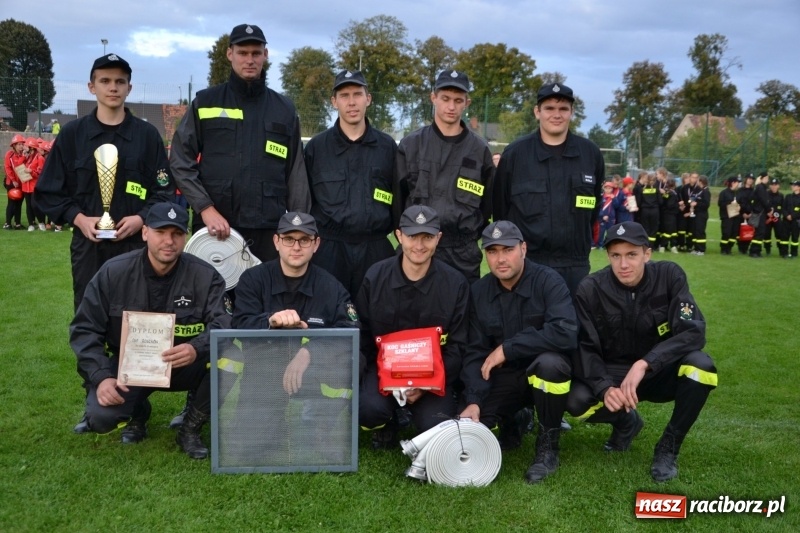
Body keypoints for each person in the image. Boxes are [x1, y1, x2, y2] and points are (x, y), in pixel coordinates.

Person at [34, 53, 175, 433]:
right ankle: (95, 394)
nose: (113, 88)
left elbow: (165, 194)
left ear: (129, 87)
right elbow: (47, 194)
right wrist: (79, 219)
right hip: (89, 248)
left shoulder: (146, 137)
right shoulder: (72, 135)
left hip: (134, 249)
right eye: (105, 81)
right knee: (91, 319)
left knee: (136, 325)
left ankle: (136, 413)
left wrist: (142, 219)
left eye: (120, 81)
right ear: (91, 86)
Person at [69, 202, 231, 459]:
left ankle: (191, 427)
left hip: (184, 364)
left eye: (176, 234)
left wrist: (195, 347)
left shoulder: (205, 276)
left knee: (232, 360)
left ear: (185, 237)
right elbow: (85, 329)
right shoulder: (113, 272)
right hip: (130, 368)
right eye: (160, 232)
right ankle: (138, 411)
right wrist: (101, 377)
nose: (169, 241)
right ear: (145, 233)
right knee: (101, 418)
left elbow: (224, 323)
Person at [567, 221, 717, 482]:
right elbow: (585, 347)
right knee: (574, 399)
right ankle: (626, 423)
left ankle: (668, 446)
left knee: (700, 367)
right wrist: (604, 388)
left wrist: (646, 363)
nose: (623, 264)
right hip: (614, 374)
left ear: (647, 254)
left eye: (632, 255)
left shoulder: (670, 275)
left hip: (659, 371)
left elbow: (693, 331)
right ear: (608, 256)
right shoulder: (590, 289)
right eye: (616, 255)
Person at [170, 23, 310, 263]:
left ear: (265, 55)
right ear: (229, 54)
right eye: (243, 53)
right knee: (216, 300)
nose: (249, 60)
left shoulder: (284, 109)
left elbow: (295, 174)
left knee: (267, 299)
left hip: (270, 231)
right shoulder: (205, 103)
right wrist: (206, 209)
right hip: (218, 228)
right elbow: (181, 160)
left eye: (256, 53)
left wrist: (297, 227)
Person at [229, 211, 358, 464]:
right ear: (276, 242)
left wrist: (309, 353)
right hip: (265, 371)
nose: (296, 247)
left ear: (316, 244)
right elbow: (239, 322)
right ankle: (271, 421)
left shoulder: (331, 287)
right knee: (249, 449)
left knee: (347, 362)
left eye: (304, 240)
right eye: (289, 239)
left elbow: (351, 330)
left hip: (315, 371)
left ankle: (321, 423)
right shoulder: (253, 280)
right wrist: (270, 321)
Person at [459, 221, 577, 483]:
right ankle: (515, 419)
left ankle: (548, 446)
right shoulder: (479, 291)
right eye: (492, 252)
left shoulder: (549, 281)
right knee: (471, 425)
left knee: (550, 364)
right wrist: (474, 399)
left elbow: (565, 332)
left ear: (523, 249)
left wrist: (508, 348)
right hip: (507, 378)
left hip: (544, 373)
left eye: (508, 249)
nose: (500, 259)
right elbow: (475, 351)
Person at [357, 205, 470, 446]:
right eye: (412, 236)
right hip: (383, 373)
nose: (419, 245)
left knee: (435, 426)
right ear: (398, 235)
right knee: (368, 411)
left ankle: (425, 408)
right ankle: (390, 419)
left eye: (427, 237)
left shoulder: (455, 284)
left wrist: (426, 384)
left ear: (438, 239)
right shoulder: (375, 277)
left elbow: (459, 346)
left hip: (431, 377)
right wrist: (384, 379)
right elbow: (364, 336)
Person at [494, 82, 604, 297]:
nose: (557, 114)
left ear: (572, 112)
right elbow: (500, 210)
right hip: (528, 265)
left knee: (572, 328)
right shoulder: (516, 154)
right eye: (549, 108)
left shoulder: (590, 154)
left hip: (575, 266)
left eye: (563, 109)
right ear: (537, 112)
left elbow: (593, 209)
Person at [393, 69, 494, 284]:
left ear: (467, 103)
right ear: (433, 98)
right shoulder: (411, 145)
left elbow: (487, 206)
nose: (451, 107)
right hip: (417, 250)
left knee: (461, 315)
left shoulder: (480, 150)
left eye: (458, 101)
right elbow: (398, 201)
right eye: (445, 99)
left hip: (462, 254)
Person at [303, 70, 397, 298]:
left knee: (377, 317)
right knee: (328, 319)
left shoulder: (388, 148)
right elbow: (305, 201)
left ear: (369, 99)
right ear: (334, 101)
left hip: (376, 249)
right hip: (329, 251)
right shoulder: (317, 148)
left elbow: (399, 199)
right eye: (344, 95)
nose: (352, 102)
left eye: (357, 94)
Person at [22, 137, 46, 231]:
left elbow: (41, 173)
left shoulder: (39, 158)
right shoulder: (28, 158)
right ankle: (31, 224)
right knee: (28, 206)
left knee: (34, 205)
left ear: (31, 147)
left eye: (26, 146)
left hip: (34, 186)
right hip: (26, 185)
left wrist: (31, 171)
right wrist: (24, 157)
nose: (24, 148)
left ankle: (41, 222)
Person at [747, 171, 771, 258]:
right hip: (761, 213)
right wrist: (769, 210)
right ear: (762, 178)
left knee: (759, 232)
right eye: (766, 178)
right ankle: (754, 251)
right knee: (760, 232)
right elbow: (764, 200)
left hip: (760, 212)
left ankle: (756, 250)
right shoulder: (761, 187)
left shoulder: (760, 187)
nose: (767, 180)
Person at [4, 134, 25, 229]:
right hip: (11, 183)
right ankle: (8, 223)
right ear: (14, 145)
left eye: (22, 144)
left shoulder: (24, 155)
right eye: (19, 144)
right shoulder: (9, 154)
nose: (21, 146)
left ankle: (17, 223)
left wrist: (24, 156)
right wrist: (13, 180)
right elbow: (7, 168)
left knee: (19, 204)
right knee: (11, 203)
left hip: (21, 183)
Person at [634, 171, 660, 246]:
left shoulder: (642, 189)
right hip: (655, 210)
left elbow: (639, 201)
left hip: (644, 210)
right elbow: (660, 201)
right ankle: (651, 245)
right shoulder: (656, 189)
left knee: (645, 227)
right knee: (653, 228)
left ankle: (644, 244)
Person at [764, 178, 788, 258]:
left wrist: (776, 214)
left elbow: (782, 207)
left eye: (776, 185)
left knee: (779, 234)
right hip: (767, 218)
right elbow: (764, 205)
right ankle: (767, 250)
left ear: (778, 186)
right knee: (766, 234)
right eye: (772, 185)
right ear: (770, 186)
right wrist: (768, 213)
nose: (774, 187)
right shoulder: (766, 194)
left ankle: (781, 250)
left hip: (777, 219)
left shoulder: (781, 195)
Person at [717, 176, 741, 255]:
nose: (738, 184)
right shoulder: (724, 193)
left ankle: (729, 248)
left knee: (734, 233)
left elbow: (742, 203)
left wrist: (739, 207)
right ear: (733, 183)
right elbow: (720, 204)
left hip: (736, 217)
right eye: (737, 182)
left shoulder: (738, 193)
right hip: (726, 217)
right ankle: (723, 248)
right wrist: (730, 203)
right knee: (726, 233)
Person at [688, 175, 710, 255]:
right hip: (696, 213)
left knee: (700, 231)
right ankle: (696, 248)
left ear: (701, 182)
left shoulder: (706, 191)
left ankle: (701, 249)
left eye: (697, 180)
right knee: (695, 231)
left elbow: (706, 204)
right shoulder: (699, 190)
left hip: (702, 215)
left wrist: (697, 204)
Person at [658, 177, 680, 253]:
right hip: (670, 214)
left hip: (666, 214)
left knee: (673, 230)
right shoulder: (672, 194)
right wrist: (677, 205)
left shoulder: (665, 193)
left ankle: (673, 246)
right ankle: (663, 246)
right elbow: (670, 205)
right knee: (668, 231)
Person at [736, 174, 756, 254]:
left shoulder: (754, 191)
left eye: (752, 179)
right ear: (746, 179)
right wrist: (742, 213)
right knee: (739, 231)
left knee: (749, 231)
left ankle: (746, 248)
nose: (750, 180)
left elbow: (755, 203)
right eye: (749, 178)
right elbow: (737, 202)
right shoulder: (740, 190)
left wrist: (751, 213)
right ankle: (740, 247)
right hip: (741, 214)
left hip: (751, 214)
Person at [784, 180, 800, 258]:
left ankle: (794, 253)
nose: (792, 187)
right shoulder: (788, 196)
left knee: (795, 237)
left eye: (794, 185)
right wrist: (787, 215)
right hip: (786, 220)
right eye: (792, 185)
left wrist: (792, 216)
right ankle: (784, 253)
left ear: (798, 187)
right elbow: (784, 208)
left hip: (796, 221)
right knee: (785, 237)